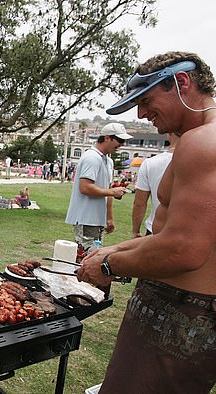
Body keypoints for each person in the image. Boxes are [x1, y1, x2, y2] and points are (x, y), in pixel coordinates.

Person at [78, 51, 216, 394]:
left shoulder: (202, 143)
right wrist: (114, 250)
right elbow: (173, 232)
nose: (141, 113)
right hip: (181, 309)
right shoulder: (196, 142)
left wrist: (109, 265)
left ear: (181, 83)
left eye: (146, 100)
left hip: (184, 313)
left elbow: (184, 250)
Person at [65, 123, 132, 252]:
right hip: (87, 218)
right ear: (107, 138)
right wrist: (112, 191)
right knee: (86, 256)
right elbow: (85, 187)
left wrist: (109, 218)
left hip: (97, 220)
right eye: (119, 140)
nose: (121, 144)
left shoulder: (108, 160)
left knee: (93, 256)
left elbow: (107, 189)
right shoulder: (92, 158)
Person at [131, 134, 179, 237]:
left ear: (169, 134)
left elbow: (139, 203)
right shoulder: (204, 160)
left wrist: (135, 230)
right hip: (188, 233)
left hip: (155, 230)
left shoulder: (150, 163)